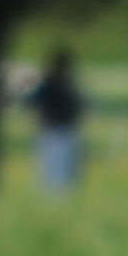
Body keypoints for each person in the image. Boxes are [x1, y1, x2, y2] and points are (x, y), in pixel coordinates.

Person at [28, 50, 85, 195]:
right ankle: (58, 197)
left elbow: (32, 103)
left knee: (54, 168)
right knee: (62, 168)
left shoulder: (50, 84)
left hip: (52, 129)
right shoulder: (66, 84)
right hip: (59, 129)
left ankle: (56, 197)